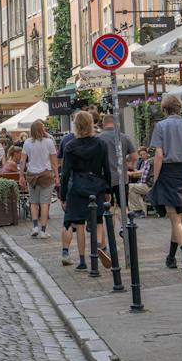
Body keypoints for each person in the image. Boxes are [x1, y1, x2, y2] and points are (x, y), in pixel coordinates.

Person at [146, 96, 182, 269]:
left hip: (167, 172)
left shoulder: (160, 126)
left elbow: (159, 155)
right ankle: (171, 257)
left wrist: (156, 177)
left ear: (165, 109)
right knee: (178, 220)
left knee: (175, 219)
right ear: (179, 108)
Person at [59, 111, 111, 271]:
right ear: (91, 124)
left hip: (77, 188)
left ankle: (82, 261)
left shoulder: (70, 146)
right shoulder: (101, 144)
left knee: (79, 224)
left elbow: (65, 173)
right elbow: (106, 168)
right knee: (98, 219)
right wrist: (108, 189)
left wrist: (63, 195)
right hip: (96, 185)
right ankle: (98, 246)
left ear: (76, 126)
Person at [22, 121, 58, 240]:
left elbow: (23, 161)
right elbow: (54, 162)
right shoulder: (49, 142)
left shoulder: (27, 142)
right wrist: (57, 176)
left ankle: (35, 227)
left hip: (32, 175)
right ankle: (43, 231)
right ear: (42, 129)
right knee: (44, 203)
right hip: (46, 175)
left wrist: (21, 175)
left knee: (33, 202)